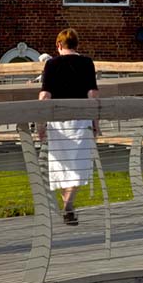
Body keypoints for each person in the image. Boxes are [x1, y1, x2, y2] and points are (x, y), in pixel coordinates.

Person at [37, 28, 99, 226]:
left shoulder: (51, 64)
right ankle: (68, 204)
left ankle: (67, 205)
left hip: (57, 122)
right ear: (77, 45)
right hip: (81, 120)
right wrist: (96, 122)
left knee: (63, 166)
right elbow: (92, 95)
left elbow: (45, 95)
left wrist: (40, 124)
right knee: (79, 165)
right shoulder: (87, 63)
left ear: (58, 45)